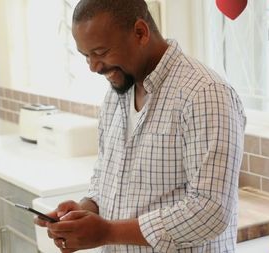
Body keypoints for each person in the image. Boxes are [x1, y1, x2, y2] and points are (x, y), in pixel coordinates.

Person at [34, 0, 246, 252]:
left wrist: (108, 232)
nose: (93, 67)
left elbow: (210, 212)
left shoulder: (206, 94)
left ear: (140, 32)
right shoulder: (117, 94)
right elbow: (106, 179)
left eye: (100, 53)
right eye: (86, 56)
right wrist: (85, 210)